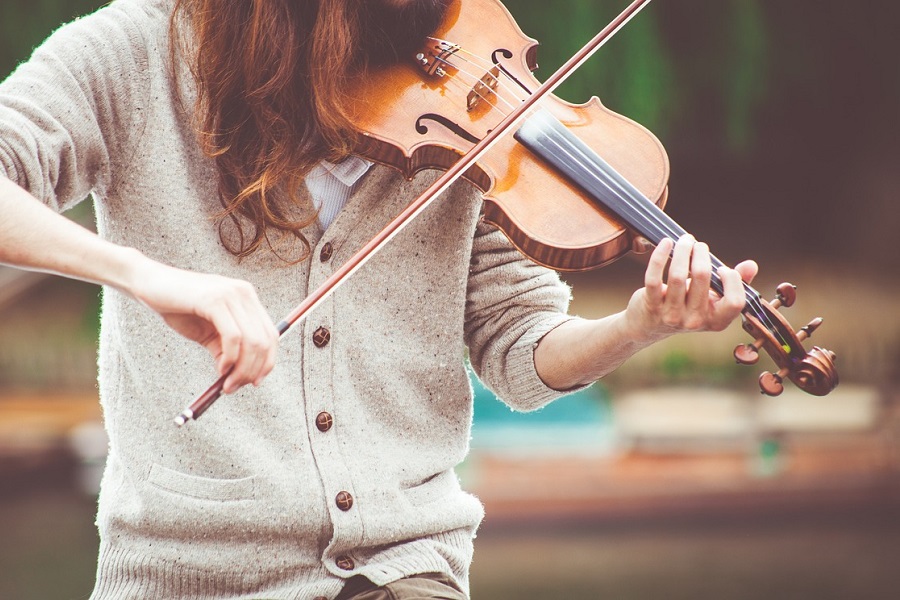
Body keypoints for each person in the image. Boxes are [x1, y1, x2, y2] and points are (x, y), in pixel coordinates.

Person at [0, 0, 757, 598]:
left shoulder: (464, 100)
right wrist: (139, 274)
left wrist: (636, 325)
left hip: (404, 570)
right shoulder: (130, 56)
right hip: (187, 573)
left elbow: (520, 347)